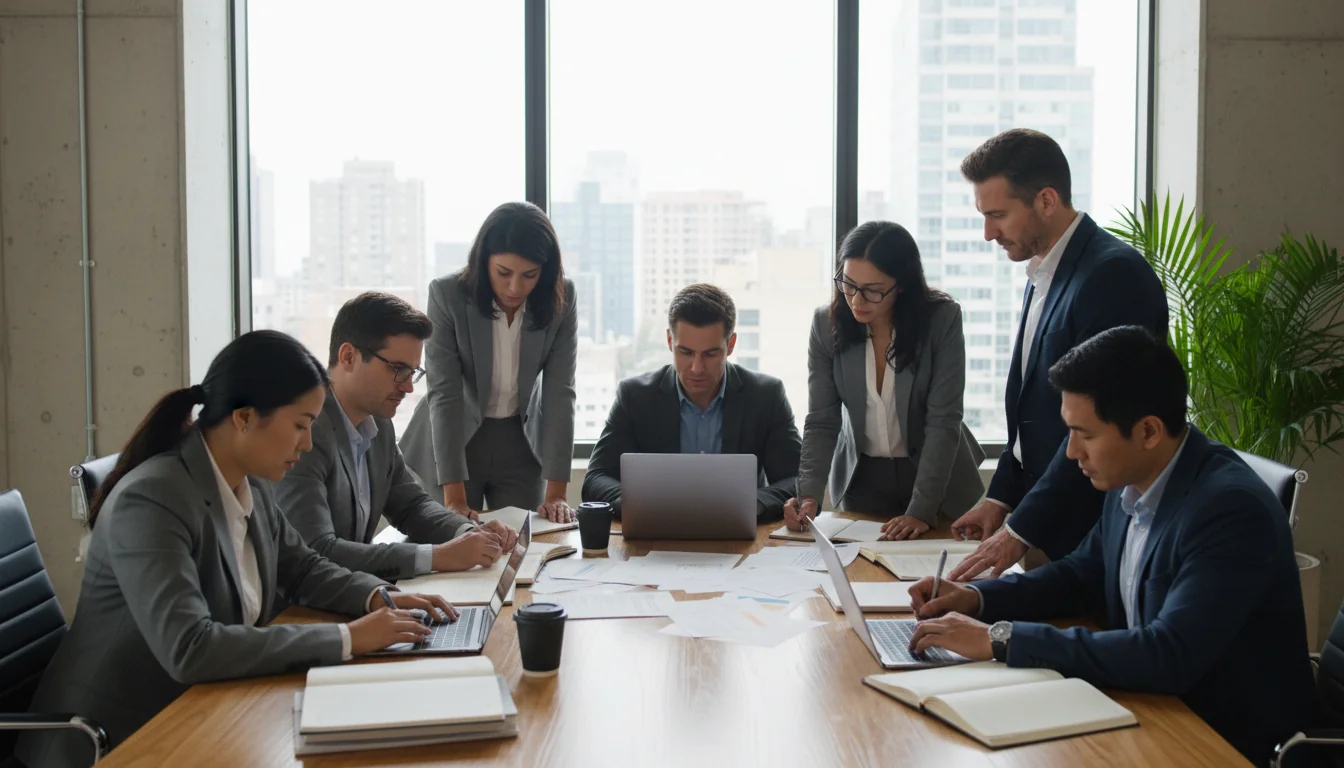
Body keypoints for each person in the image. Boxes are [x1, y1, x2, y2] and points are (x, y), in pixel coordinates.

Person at [17, 331, 459, 767]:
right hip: (120, 738)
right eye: (300, 426)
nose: (306, 444)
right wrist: (347, 637)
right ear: (244, 417)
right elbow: (191, 647)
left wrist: (376, 596)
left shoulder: (248, 481)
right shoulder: (152, 500)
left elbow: (301, 567)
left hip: (206, 709)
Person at [906, 327, 1315, 766]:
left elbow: (1168, 654)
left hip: (1221, 742)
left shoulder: (1229, 510)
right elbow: (1080, 575)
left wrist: (1002, 639)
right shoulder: (1134, 481)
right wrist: (977, 597)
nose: (1071, 452)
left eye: (1085, 434)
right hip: (1149, 711)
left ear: (1149, 431)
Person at [946, 128, 1168, 580]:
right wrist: (1000, 498)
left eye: (998, 215)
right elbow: (1034, 410)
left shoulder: (1112, 275)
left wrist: (1020, 530)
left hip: (1086, 538)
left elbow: (1101, 427)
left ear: (1046, 200)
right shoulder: (1044, 270)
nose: (988, 233)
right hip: (1044, 527)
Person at [273, 292, 517, 584]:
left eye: (412, 373)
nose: (408, 388)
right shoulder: (305, 433)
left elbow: (412, 505)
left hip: (353, 593)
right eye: (398, 370)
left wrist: (468, 533)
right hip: (297, 612)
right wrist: (438, 557)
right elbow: (317, 550)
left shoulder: (377, 422)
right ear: (348, 356)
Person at [783, 222, 984, 540]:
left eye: (873, 290)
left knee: (933, 577)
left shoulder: (941, 320)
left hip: (936, 481)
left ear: (902, 285)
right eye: (848, 284)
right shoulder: (826, 324)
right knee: (861, 575)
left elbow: (943, 421)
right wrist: (808, 495)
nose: (856, 300)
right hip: (863, 480)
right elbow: (822, 421)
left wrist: (921, 510)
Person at [400, 202, 578, 523]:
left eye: (529, 275)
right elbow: (445, 394)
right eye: (504, 273)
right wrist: (454, 499)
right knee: (457, 547)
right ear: (484, 263)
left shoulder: (562, 298)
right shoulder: (447, 295)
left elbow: (559, 393)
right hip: (456, 438)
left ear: (546, 271)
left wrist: (557, 494)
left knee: (522, 547)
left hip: (520, 442)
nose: (515, 287)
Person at [582, 283, 801, 519]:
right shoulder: (635, 396)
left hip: (740, 536)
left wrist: (754, 504)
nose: (697, 368)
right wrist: (639, 502)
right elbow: (596, 479)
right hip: (655, 536)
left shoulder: (765, 396)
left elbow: (799, 481)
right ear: (669, 340)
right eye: (685, 352)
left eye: (711, 353)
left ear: (731, 345)